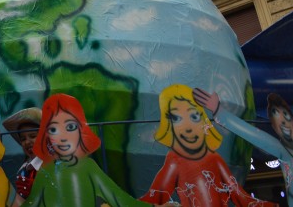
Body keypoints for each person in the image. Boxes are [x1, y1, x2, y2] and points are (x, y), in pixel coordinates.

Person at [141, 84, 277, 207]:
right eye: (176, 118)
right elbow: (156, 197)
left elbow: (238, 195)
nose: (188, 128)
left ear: (204, 122)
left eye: (194, 117)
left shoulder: (214, 159)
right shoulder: (175, 160)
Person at [22, 93, 162, 207]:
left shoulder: (88, 167)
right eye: (53, 129)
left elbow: (119, 199)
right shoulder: (46, 171)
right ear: (47, 135)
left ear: (81, 131)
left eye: (70, 127)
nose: (62, 137)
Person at [195, 88, 292, 206]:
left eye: (286, 116)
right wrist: (219, 112)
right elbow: (253, 134)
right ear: (274, 127)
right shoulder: (283, 152)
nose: (283, 123)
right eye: (276, 116)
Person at [2, 107, 42, 199]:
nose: (27, 142)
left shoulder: (55, 165)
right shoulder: (23, 170)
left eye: (32, 136)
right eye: (23, 139)